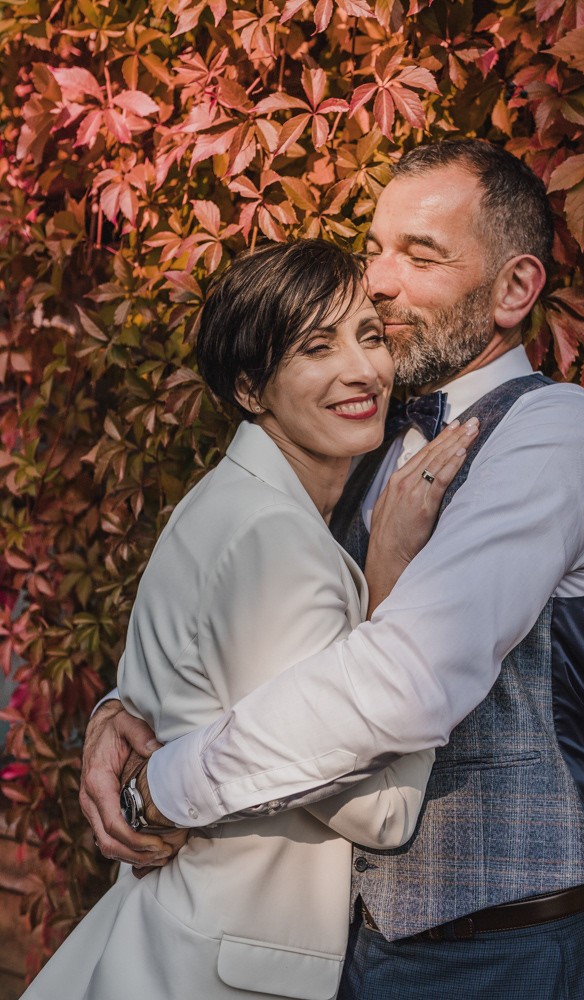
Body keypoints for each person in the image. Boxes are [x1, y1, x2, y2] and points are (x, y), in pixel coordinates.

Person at [82, 140, 584, 999]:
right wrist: (127, 707)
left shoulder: (553, 434)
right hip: (336, 954)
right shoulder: (362, 430)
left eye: (420, 255)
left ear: (514, 290)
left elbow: (404, 678)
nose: (377, 281)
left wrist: (162, 784)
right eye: (374, 248)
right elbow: (251, 621)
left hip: (502, 956)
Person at [22, 239, 480, 1000]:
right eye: (317, 348)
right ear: (249, 387)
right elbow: (380, 812)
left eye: (369, 336)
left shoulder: (236, 502)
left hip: (185, 938)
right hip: (215, 966)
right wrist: (394, 586)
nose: (362, 370)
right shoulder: (271, 538)